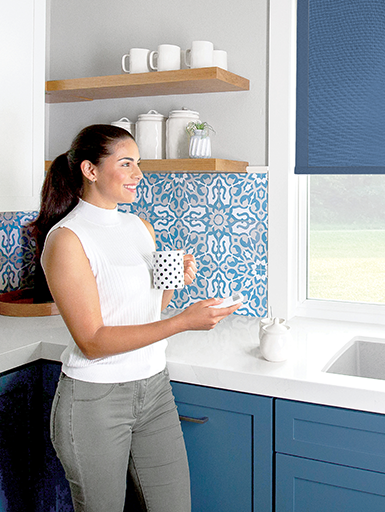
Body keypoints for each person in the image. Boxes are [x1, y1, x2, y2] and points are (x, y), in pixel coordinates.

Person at [32, 124, 240, 512]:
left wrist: (175, 281)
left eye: (138, 163)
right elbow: (92, 342)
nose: (138, 174)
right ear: (90, 170)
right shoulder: (67, 239)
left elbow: (146, 311)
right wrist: (183, 322)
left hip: (154, 389)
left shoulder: (139, 226)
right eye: (126, 163)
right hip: (95, 401)